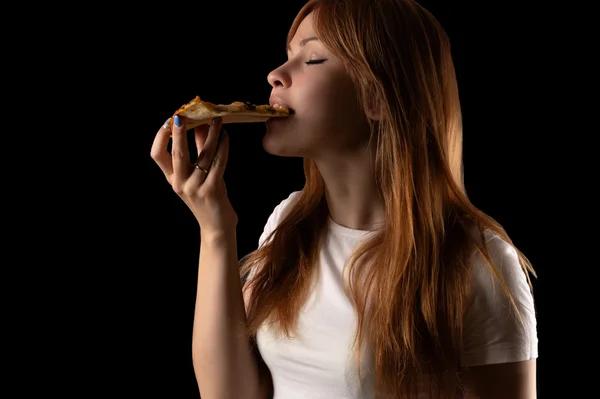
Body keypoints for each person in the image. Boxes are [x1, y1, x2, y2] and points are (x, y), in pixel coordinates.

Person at [150, 0, 538, 397]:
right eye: (288, 56)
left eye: (313, 58)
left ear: (377, 96)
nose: (276, 75)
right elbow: (230, 394)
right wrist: (215, 228)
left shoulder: (476, 261)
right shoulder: (287, 224)